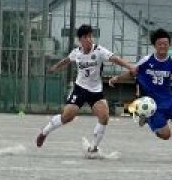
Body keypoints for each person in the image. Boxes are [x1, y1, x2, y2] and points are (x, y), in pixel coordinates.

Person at [35, 24, 131, 157]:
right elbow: (67, 60)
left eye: (91, 36)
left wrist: (129, 66)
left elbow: (115, 59)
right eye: (86, 37)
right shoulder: (77, 52)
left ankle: (94, 148)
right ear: (80, 39)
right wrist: (55, 68)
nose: (89, 39)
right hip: (80, 89)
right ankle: (44, 133)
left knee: (104, 117)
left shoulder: (99, 51)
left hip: (96, 91)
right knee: (67, 116)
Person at [113, 28, 172, 163]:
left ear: (169, 45)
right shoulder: (146, 60)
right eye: (160, 44)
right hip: (153, 104)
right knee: (166, 135)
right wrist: (117, 79)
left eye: (165, 43)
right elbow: (132, 72)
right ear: (155, 45)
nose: (163, 46)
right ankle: (146, 116)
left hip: (169, 100)